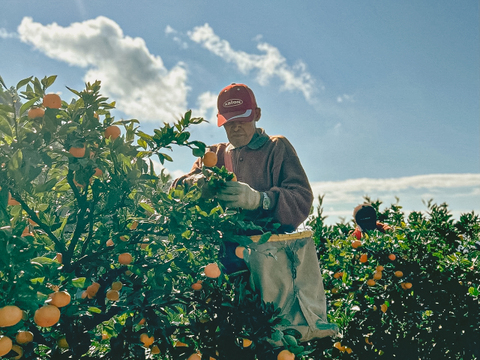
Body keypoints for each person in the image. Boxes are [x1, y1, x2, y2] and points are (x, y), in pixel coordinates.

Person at [173, 83, 338, 356]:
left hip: (270, 267)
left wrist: (260, 200)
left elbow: (301, 199)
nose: (236, 128)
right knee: (224, 342)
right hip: (223, 267)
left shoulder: (277, 148)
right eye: (229, 123)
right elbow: (174, 192)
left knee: (273, 340)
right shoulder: (213, 156)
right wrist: (196, 183)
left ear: (257, 114)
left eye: (242, 120)